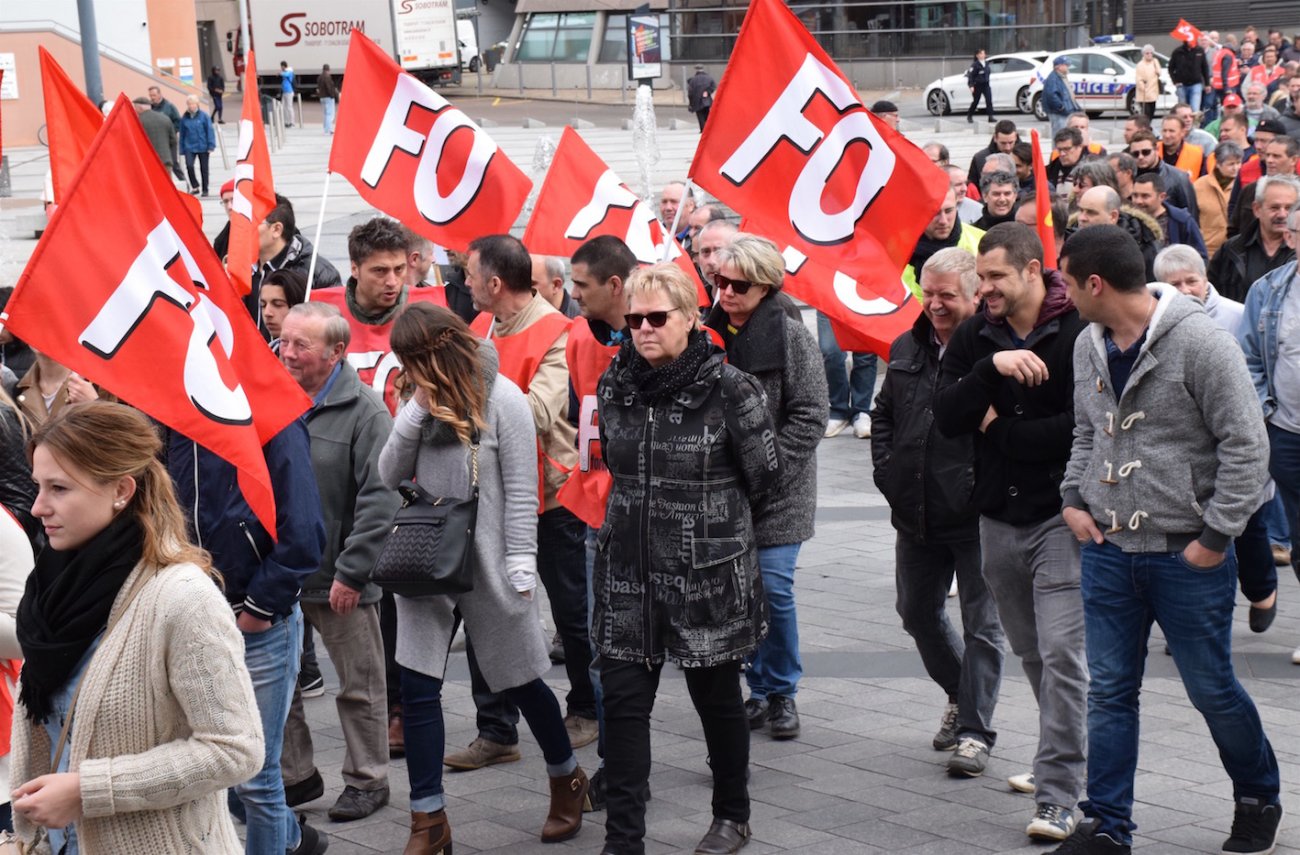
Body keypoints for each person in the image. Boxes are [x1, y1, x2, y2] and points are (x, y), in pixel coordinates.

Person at [1053, 225, 1281, 855]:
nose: (1065, 294)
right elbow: (1087, 432)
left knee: (1211, 688)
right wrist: (1073, 498)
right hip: (1107, 552)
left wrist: (1214, 537)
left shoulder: (1202, 342)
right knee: (1110, 692)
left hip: (1188, 556)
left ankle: (1258, 792)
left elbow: (1247, 446)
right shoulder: (1088, 344)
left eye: (1068, 282)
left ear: (1095, 283)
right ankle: (1107, 825)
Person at [379, 302, 589, 852]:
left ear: (442, 347)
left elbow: (522, 487)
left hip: (493, 561)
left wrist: (522, 560)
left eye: (416, 358)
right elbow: (388, 472)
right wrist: (416, 411)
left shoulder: (503, 399)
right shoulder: (418, 400)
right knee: (420, 688)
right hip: (427, 561)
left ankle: (566, 777)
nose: (410, 369)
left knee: (520, 679)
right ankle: (428, 821)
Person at [10, 402, 264, 853]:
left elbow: (235, 749)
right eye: (38, 486)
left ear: (121, 490)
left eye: (59, 489)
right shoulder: (49, 587)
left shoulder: (183, 597)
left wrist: (88, 791)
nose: (37, 507)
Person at [596, 262, 780, 855]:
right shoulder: (615, 383)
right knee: (623, 708)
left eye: (656, 318)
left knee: (716, 700)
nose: (642, 330)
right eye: (633, 321)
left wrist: (714, 523)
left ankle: (733, 813)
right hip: (627, 571)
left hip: (706, 576)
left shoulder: (732, 389)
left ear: (691, 317)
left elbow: (767, 476)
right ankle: (623, 839)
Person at [933, 223, 1088, 842]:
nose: (984, 286)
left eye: (995, 275)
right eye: (981, 275)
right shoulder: (977, 334)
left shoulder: (1079, 329)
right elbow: (947, 416)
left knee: (1062, 654)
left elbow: (1083, 427)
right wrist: (990, 369)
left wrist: (1000, 432)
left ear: (1032, 270)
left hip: (1063, 515)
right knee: (1031, 652)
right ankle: (1067, 752)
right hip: (997, 516)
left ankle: (1059, 793)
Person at [457, 235, 597, 765]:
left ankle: (585, 708)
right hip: (489, 496)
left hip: (553, 498)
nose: (464, 283)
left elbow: (537, 413)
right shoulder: (478, 327)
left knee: (572, 614)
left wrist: (464, 397)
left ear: (495, 284)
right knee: (484, 612)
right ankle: (496, 730)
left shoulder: (563, 331)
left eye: (470, 276)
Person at [165, 415, 327, 855]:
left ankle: (285, 837)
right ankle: (293, 838)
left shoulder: (271, 418)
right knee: (221, 770)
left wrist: (259, 607)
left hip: (254, 620)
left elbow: (305, 528)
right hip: (193, 615)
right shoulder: (170, 416)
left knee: (256, 777)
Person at [870, 247, 1006, 760]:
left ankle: (974, 732)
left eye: (947, 294)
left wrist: (984, 484)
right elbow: (883, 414)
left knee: (983, 626)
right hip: (915, 509)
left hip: (976, 515)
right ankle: (960, 693)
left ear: (976, 295)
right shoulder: (908, 344)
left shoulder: (993, 350)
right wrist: (888, 471)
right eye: (927, 293)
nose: (935, 304)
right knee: (916, 613)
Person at [277, 303, 398, 822]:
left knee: (359, 685)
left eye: (301, 345)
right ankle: (295, 776)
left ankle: (368, 779)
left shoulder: (367, 411)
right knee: (279, 684)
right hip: (281, 575)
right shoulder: (272, 398)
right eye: (283, 341)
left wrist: (353, 572)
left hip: (339, 579)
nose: (287, 354)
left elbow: (381, 499)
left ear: (337, 352)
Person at [704, 235, 827, 741]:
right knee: (736, 593)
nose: (726, 292)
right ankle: (756, 689)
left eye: (739, 285)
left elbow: (811, 413)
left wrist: (768, 465)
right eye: (719, 282)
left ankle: (781, 693)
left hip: (780, 490)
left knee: (773, 589)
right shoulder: (705, 332)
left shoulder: (790, 335)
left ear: (766, 287)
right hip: (719, 488)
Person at [1241, 197, 1300, 663]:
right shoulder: (1268, 291)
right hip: (1287, 431)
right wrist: (1265, 409)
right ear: (1291, 240)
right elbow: (1250, 358)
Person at [247, 194, 342, 329]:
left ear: (276, 229)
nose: (242, 230)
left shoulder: (316, 272)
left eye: (252, 223)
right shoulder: (241, 269)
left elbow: (333, 330)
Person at [1208, 174, 1300, 301]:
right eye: (1274, 207)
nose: (1282, 214)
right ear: (1257, 209)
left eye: (1289, 208)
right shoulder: (1231, 249)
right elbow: (1211, 296)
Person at [1073, 186, 1163, 281]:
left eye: (1091, 212)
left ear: (1113, 216)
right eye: (1081, 210)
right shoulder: (1071, 241)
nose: (1081, 218)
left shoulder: (1142, 250)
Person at [1129, 172, 1207, 259]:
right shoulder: (1127, 220)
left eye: (1145, 196)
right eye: (1135, 195)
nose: (1138, 201)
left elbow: (1200, 257)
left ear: (1162, 197)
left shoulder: (1181, 220)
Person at [1127, 130, 1200, 221]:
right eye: (1135, 154)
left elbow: (1191, 216)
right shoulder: (1128, 178)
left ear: (1157, 150)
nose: (1140, 157)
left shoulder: (1178, 178)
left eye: (1146, 152)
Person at [1196, 141, 1245, 256]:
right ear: (1218, 163)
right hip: (1206, 251)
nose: (1236, 168)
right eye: (1231, 164)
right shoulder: (1199, 186)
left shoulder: (1244, 185)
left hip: (1235, 251)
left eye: (1238, 163)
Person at [260, 268, 309, 352]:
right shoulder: (267, 352)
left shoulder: (316, 359)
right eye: (263, 305)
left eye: (278, 304)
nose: (267, 313)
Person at [178, 95, 216, 196]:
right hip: (189, 146)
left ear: (197, 104)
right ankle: (195, 186)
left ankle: (205, 189)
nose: (191, 106)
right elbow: (182, 134)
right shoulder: (184, 117)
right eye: (189, 104)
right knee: (189, 166)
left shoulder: (204, 116)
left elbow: (209, 131)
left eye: (193, 104)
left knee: (204, 168)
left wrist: (211, 145)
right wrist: (181, 149)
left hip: (203, 146)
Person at [147, 85, 186, 185]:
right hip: (155, 141)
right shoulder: (150, 108)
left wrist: (170, 132)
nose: (152, 98)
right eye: (150, 95)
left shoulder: (169, 107)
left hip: (169, 140)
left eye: (154, 95)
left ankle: (184, 181)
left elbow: (178, 121)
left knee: (172, 162)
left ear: (160, 94)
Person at [132, 97, 177, 180]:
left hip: (147, 162)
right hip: (165, 160)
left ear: (140, 108)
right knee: (166, 186)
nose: (134, 110)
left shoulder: (138, 121)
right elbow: (173, 140)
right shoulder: (165, 118)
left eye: (135, 108)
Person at [1170, 35, 1210, 113]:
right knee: (1182, 109)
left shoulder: (1199, 51)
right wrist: (1175, 81)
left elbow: (1204, 68)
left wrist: (1207, 84)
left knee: (1195, 108)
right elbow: (1171, 68)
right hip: (1182, 84)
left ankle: (1195, 124)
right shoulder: (1177, 52)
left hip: (1196, 84)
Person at [1043, 57, 1081, 136]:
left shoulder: (1061, 76)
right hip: (1058, 112)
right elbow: (1051, 95)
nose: (1068, 66)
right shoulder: (1053, 78)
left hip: (1063, 112)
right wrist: (1061, 107)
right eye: (1066, 64)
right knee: (1059, 135)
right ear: (1058, 66)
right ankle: (1057, 149)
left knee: (1064, 134)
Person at [965, 49, 996, 123]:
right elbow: (971, 76)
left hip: (986, 85)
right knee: (976, 101)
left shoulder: (986, 63)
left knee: (989, 100)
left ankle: (990, 116)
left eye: (984, 53)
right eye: (981, 53)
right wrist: (971, 85)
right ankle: (969, 115)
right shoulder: (975, 65)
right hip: (978, 85)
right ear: (977, 55)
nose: (983, 55)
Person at [1135, 45, 1161, 119]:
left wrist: (1155, 64)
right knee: (1146, 113)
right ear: (1143, 54)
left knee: (1152, 112)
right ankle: (1146, 127)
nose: (1149, 55)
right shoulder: (1140, 65)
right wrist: (1144, 89)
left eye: (1151, 53)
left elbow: (1159, 72)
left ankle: (1148, 126)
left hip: (1153, 92)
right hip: (1144, 94)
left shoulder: (1155, 62)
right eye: (1147, 53)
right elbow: (1139, 79)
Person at [686, 64, 715, 132]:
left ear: (696, 70)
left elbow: (690, 93)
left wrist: (690, 103)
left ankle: (703, 130)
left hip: (696, 100)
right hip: (707, 100)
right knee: (707, 114)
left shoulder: (693, 80)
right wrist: (707, 92)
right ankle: (709, 129)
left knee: (700, 116)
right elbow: (713, 86)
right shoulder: (709, 78)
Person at [318, 64, 338, 135]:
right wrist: (333, 95)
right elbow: (329, 88)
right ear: (328, 70)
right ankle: (329, 129)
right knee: (330, 114)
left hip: (322, 97)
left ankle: (325, 128)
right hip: (328, 97)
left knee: (325, 113)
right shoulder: (327, 77)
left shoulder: (320, 77)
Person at [280, 61, 296, 127]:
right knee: (284, 107)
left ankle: (292, 122)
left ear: (284, 66)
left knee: (289, 107)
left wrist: (281, 73)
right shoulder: (286, 72)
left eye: (281, 66)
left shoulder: (289, 72)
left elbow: (286, 74)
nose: (281, 68)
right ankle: (286, 121)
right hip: (285, 91)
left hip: (289, 91)